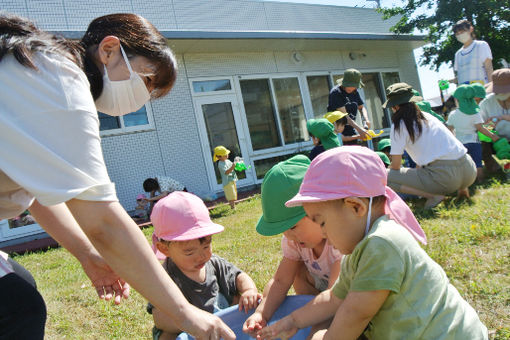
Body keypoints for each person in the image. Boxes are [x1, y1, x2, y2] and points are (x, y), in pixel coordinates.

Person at [0, 12, 234, 340]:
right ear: (109, 50)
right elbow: (105, 224)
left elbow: (36, 190)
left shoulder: (39, 69)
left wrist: (87, 255)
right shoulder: (59, 80)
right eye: (148, 80)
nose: (144, 97)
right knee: (17, 310)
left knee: (20, 299)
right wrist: (187, 314)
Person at [258, 147, 488, 340]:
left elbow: (355, 314)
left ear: (356, 207)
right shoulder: (358, 250)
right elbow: (334, 298)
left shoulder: (382, 243)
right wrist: (293, 320)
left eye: (323, 222)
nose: (323, 234)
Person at [243, 155, 342, 338]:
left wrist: (304, 321)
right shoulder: (294, 241)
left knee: (322, 331)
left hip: (343, 295)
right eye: (283, 230)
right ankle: (313, 312)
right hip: (320, 290)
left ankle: (318, 322)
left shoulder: (340, 241)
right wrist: (261, 314)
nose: (289, 236)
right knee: (295, 270)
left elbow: (335, 295)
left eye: (293, 227)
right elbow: (281, 281)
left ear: (318, 210)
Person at [148, 192, 261, 340]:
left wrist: (249, 290)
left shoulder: (214, 262)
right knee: (166, 336)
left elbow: (239, 276)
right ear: (164, 249)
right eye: (189, 252)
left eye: (206, 246)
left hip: (225, 320)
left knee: (247, 304)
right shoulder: (164, 276)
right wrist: (194, 322)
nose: (201, 256)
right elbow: (160, 319)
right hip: (187, 330)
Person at [385, 83, 477, 209]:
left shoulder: (399, 125)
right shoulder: (427, 116)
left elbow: (395, 166)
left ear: (394, 106)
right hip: (469, 170)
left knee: (383, 176)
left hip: (446, 178)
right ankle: (463, 189)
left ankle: (432, 196)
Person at [447, 84, 500, 181]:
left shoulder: (453, 114)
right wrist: (493, 136)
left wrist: (452, 140)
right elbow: (481, 128)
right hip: (475, 142)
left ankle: (467, 182)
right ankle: (480, 180)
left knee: (464, 164)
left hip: (461, 143)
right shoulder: (475, 113)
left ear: (457, 100)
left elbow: (449, 129)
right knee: (478, 163)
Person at [327, 69, 370, 144]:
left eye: (355, 86)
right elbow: (345, 117)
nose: (353, 88)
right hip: (338, 131)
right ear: (344, 83)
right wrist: (360, 130)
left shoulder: (354, 92)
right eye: (350, 85)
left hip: (351, 130)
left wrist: (366, 120)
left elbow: (361, 107)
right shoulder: (336, 93)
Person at [479, 69, 510, 172]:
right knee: (479, 140)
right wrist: (490, 129)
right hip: (495, 141)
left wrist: (504, 117)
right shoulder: (486, 103)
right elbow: (480, 127)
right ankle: (493, 167)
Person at [453, 19, 493, 86]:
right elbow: (460, 76)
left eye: (462, 31)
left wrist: (491, 87)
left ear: (471, 29)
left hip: (481, 90)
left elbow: (489, 68)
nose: (460, 35)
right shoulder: (458, 54)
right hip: (465, 93)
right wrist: (448, 81)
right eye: (457, 33)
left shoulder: (481, 45)